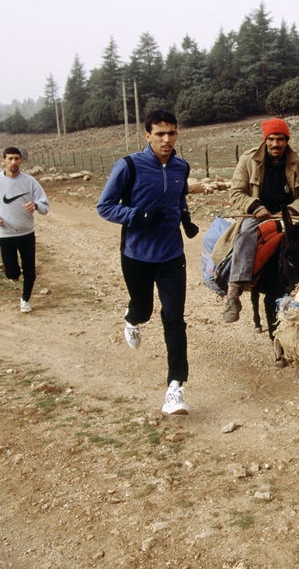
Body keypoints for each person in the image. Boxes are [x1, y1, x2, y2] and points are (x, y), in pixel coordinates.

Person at [97, 109, 200, 415]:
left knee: (174, 319)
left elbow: (178, 197)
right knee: (144, 309)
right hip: (136, 254)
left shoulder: (182, 166)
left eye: (172, 133)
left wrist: (186, 219)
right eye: (160, 134)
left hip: (171, 255)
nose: (167, 139)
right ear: (148, 136)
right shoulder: (129, 165)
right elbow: (104, 206)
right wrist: (136, 215)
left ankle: (175, 388)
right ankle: (132, 317)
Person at [221, 117, 299, 322]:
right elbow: (236, 192)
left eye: (280, 139)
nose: (276, 144)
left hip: (291, 216)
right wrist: (255, 206)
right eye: (272, 139)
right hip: (258, 215)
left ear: (286, 140)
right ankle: (234, 291)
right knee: (245, 236)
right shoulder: (248, 160)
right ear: (265, 140)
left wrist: (292, 210)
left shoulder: (298, 162)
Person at [0, 146, 50, 313]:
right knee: (12, 273)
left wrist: (36, 205)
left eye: (16, 158)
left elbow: (45, 206)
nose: (13, 162)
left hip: (26, 233)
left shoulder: (30, 181)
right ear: (4, 160)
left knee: (30, 271)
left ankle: (25, 300)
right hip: (5, 234)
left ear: (21, 160)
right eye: (10, 158)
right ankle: (13, 274)